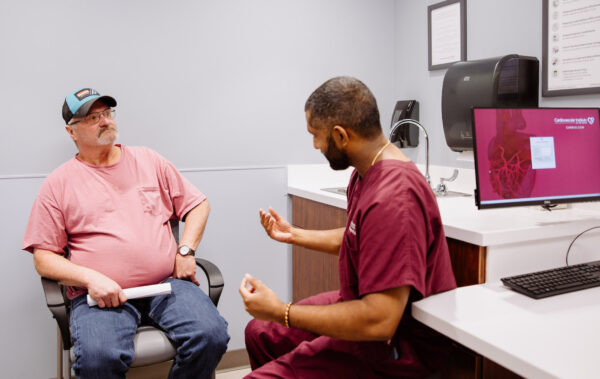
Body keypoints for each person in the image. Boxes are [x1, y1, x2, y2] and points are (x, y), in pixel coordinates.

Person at [239, 77, 457, 378]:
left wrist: (282, 311)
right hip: (363, 305)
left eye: (316, 135)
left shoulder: (394, 197)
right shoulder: (366, 172)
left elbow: (380, 321)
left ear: (341, 136)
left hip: (401, 344)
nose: (315, 145)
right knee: (261, 332)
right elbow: (361, 237)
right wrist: (293, 234)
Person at [22, 88, 229, 379]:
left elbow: (197, 204)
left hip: (166, 285)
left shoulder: (149, 160)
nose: (105, 121)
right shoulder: (58, 183)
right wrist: (91, 278)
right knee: (97, 360)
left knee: (211, 336)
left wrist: (185, 250)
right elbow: (43, 258)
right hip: (100, 297)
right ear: (72, 131)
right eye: (93, 117)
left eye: (107, 113)